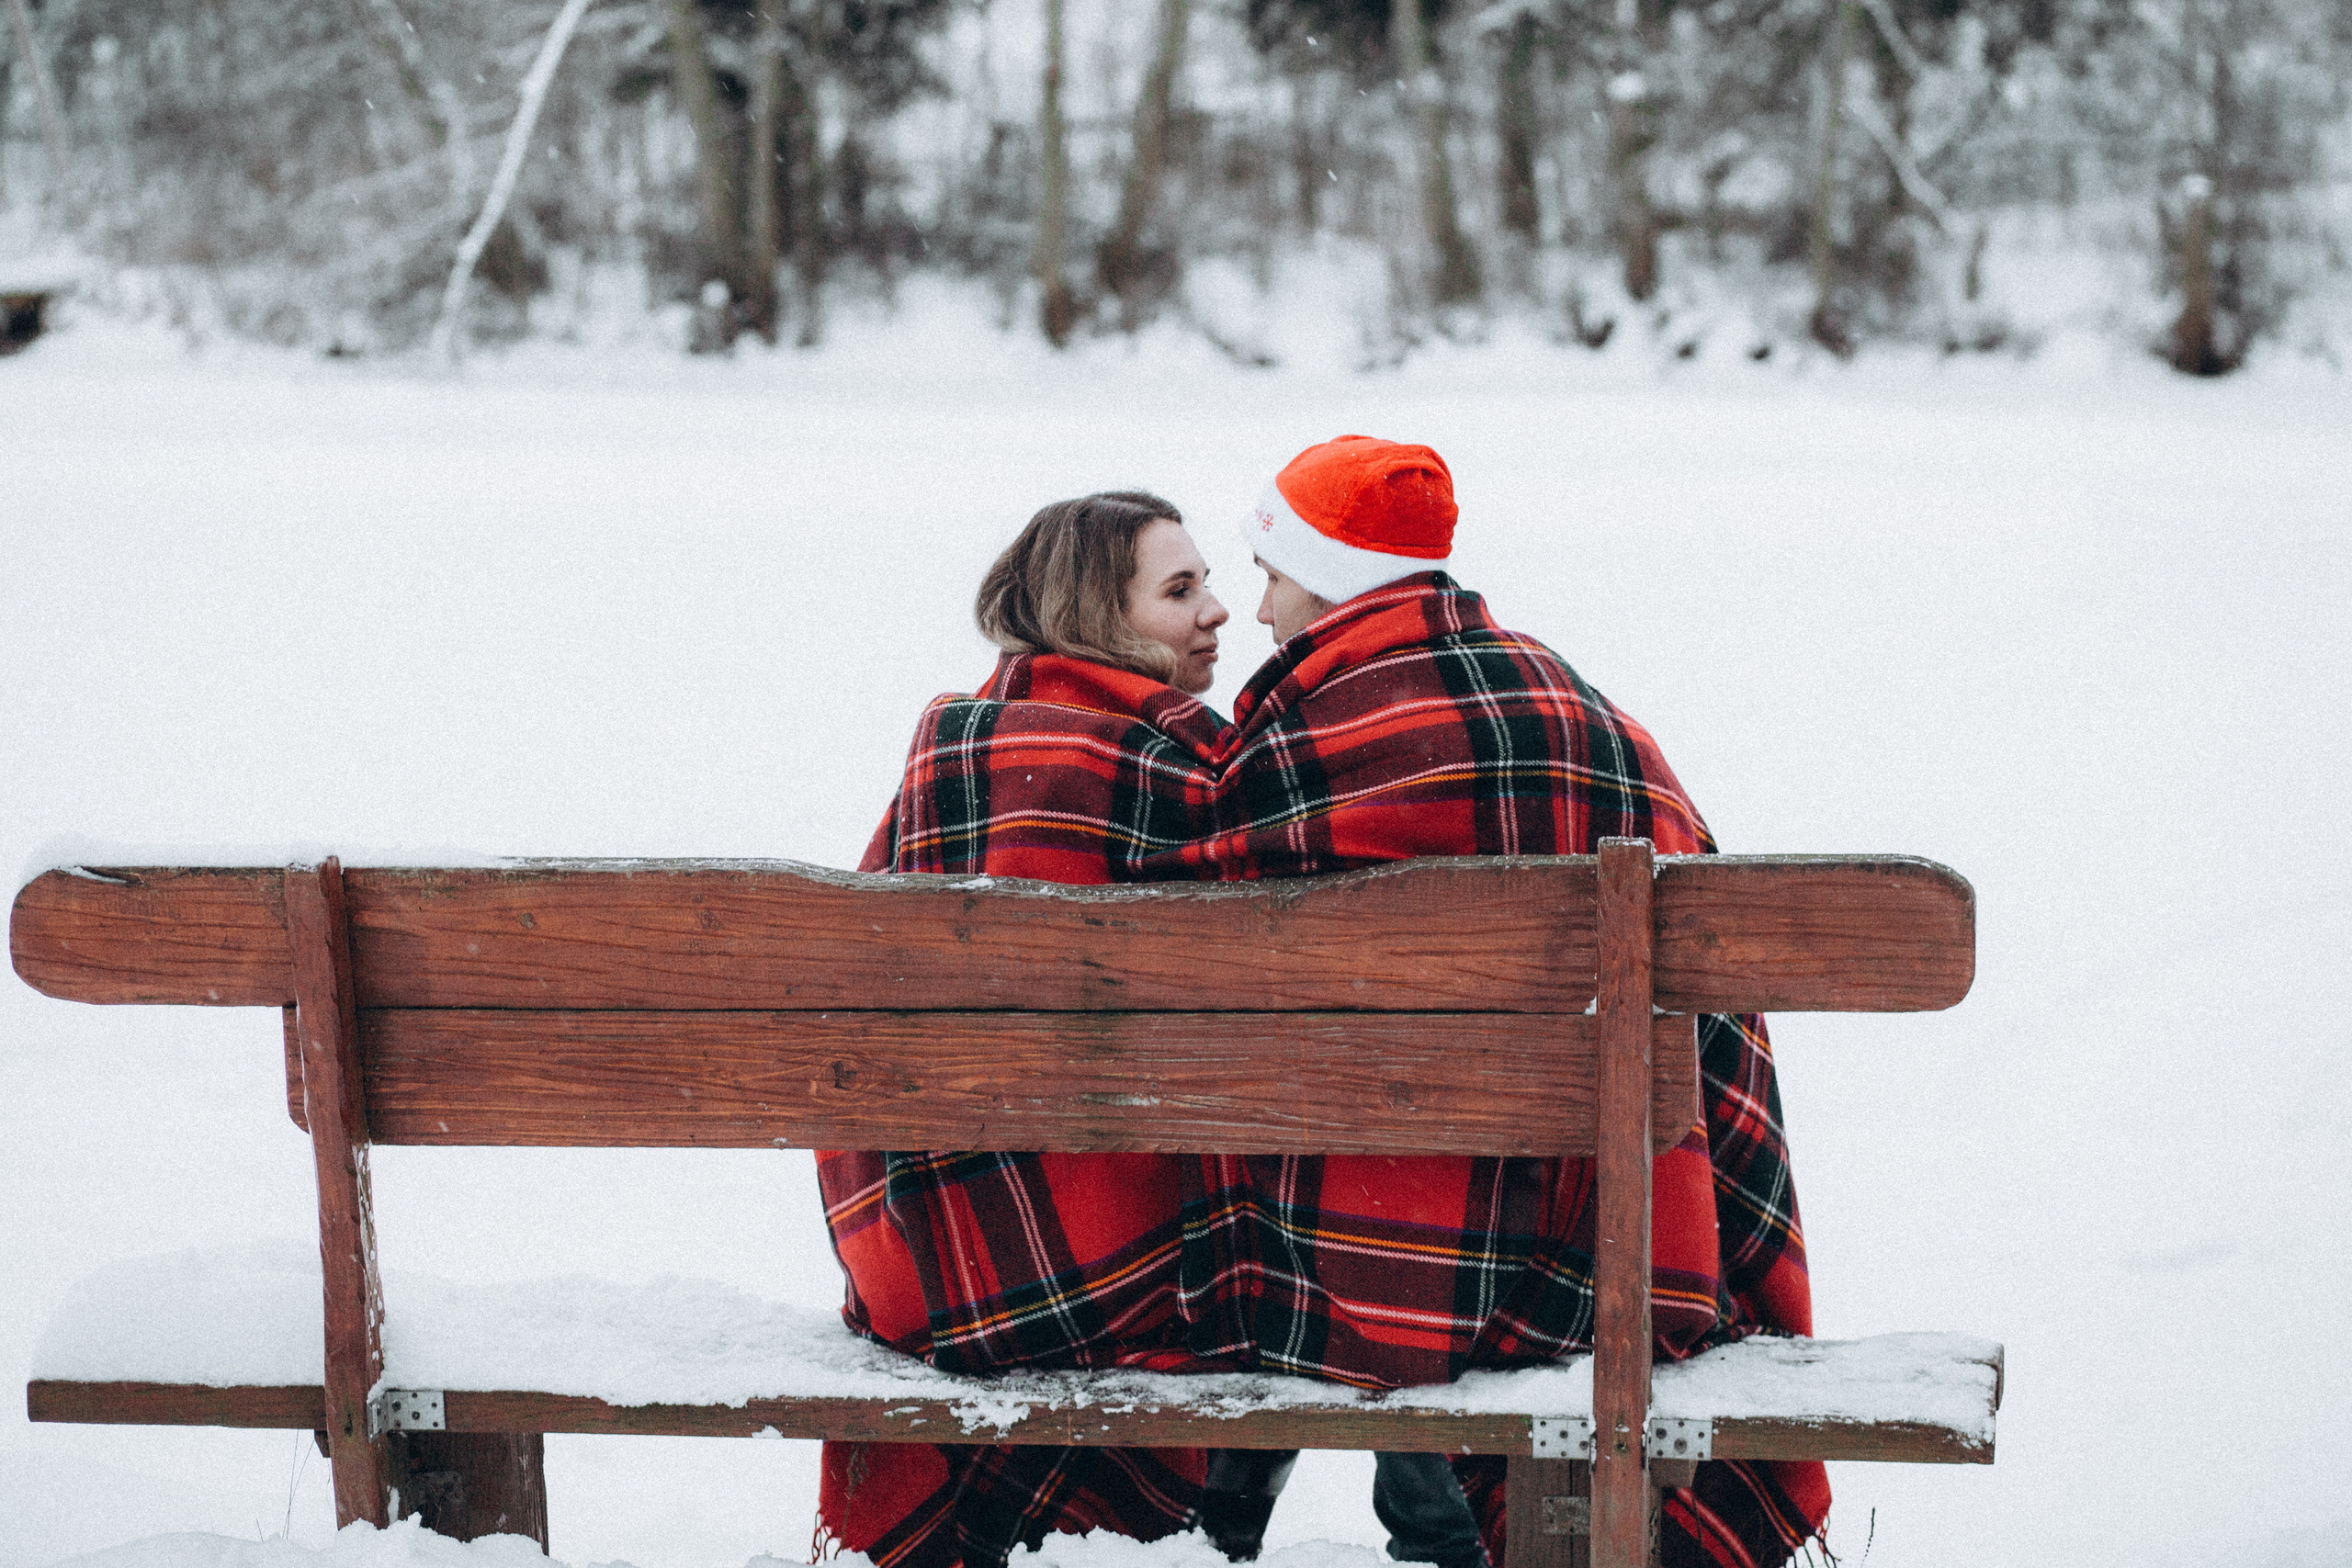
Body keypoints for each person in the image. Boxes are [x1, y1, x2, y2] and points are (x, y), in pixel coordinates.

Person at [1156, 436, 1831, 1568]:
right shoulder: (1585, 719)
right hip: (1596, 1262)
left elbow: (1196, 984)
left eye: (1271, 574)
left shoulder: (1290, 743)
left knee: (1313, 1172)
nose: (1258, 611)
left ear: (1328, 581)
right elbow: (1714, 1014)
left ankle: (1209, 1526)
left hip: (1330, 1261)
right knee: (1453, 1169)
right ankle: (1450, 1534)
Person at [815, 491, 1233, 1568]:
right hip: (1122, 1273)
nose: (1218, 612)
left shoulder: (948, 747)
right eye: (1180, 591)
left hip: (922, 1258)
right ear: (1101, 612)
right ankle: (1196, 1541)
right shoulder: (1194, 765)